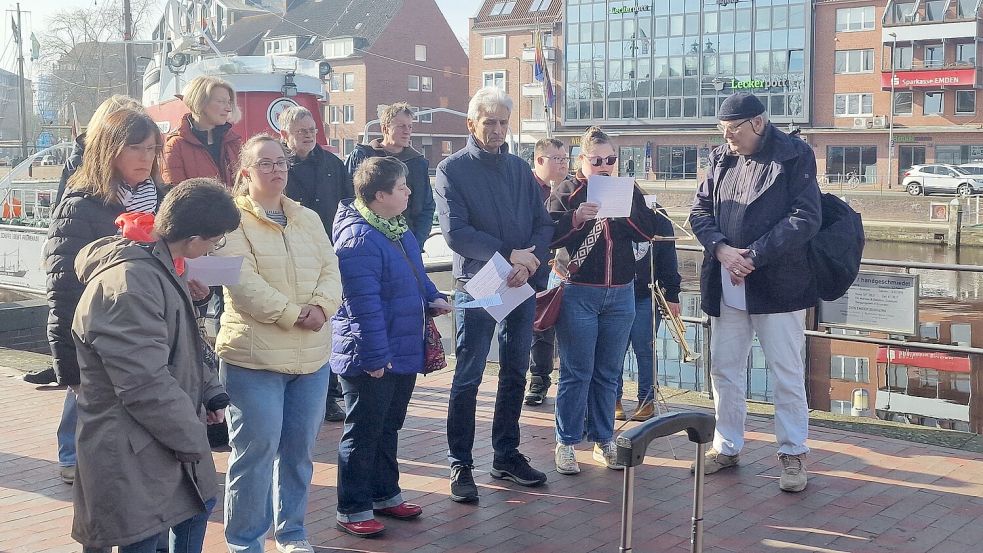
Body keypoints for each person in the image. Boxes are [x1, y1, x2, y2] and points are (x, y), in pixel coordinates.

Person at [70, 179, 240, 553]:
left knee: (197, 507)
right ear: (195, 238)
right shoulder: (129, 283)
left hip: (155, 437)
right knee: (145, 536)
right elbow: (143, 383)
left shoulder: (159, 264)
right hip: (130, 446)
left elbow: (184, 342)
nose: (213, 251)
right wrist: (192, 435)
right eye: (214, 242)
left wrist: (210, 393)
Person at [216, 134, 343, 553]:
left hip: (311, 358)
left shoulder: (306, 217)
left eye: (281, 163)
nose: (276, 170)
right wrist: (293, 314)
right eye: (265, 163)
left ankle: (291, 534)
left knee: (298, 454)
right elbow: (241, 282)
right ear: (246, 172)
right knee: (254, 452)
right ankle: (245, 541)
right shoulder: (231, 220)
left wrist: (323, 307)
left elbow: (331, 268)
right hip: (254, 358)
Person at [689, 92, 821, 493]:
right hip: (727, 280)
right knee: (724, 369)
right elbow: (699, 212)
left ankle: (793, 453)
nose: (728, 138)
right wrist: (722, 249)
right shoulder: (720, 158)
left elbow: (806, 216)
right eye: (723, 131)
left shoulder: (794, 155)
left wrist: (755, 255)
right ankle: (727, 445)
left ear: (758, 123)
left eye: (733, 131)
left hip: (778, 285)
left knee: (786, 372)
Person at [434, 87, 554, 503]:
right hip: (478, 283)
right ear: (472, 124)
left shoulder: (521, 169)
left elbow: (543, 225)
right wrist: (508, 255)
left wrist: (527, 262)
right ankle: (460, 463)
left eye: (504, 122)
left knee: (516, 371)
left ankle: (505, 453)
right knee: (468, 376)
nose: (498, 130)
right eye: (490, 122)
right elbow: (457, 234)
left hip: (520, 282)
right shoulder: (451, 169)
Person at [43, 108, 170, 486]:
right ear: (109, 149)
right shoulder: (82, 205)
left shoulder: (161, 202)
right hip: (103, 344)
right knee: (104, 473)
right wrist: (70, 370)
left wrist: (191, 285)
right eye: (135, 148)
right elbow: (63, 290)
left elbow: (173, 267)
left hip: (152, 338)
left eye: (151, 148)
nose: (146, 158)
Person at [331, 157, 452, 537]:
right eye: (402, 187)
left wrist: (433, 297)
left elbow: (416, 275)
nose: (409, 191)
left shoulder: (396, 229)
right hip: (372, 354)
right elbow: (361, 306)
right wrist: (374, 358)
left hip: (400, 347)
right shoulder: (358, 238)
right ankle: (352, 508)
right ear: (380, 194)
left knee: (388, 426)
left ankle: (385, 494)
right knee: (364, 431)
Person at [548, 126, 663, 475]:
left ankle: (603, 438)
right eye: (597, 160)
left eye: (611, 159)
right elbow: (549, 234)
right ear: (582, 160)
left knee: (609, 371)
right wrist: (576, 218)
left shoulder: (628, 190)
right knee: (576, 370)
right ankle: (566, 442)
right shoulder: (565, 191)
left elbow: (649, 230)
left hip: (622, 291)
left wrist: (625, 210)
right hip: (580, 291)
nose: (605, 166)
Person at [278, 105, 353, 423]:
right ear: (285, 135)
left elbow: (349, 204)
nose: (309, 135)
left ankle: (329, 395)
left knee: (327, 321)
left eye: (312, 130)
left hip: (327, 252)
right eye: (301, 131)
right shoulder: (278, 167)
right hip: (289, 255)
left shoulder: (333, 165)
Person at [345, 102, 435, 248]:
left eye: (410, 126)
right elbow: (348, 199)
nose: (407, 131)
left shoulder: (418, 164)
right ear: (385, 128)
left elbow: (427, 207)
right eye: (401, 126)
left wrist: (415, 244)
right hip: (367, 241)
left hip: (406, 243)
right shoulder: (362, 157)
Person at [614, 227, 681, 422]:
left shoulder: (656, 215)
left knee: (645, 349)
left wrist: (672, 293)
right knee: (614, 349)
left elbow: (668, 257)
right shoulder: (616, 209)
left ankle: (646, 400)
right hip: (617, 292)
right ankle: (613, 398)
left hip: (646, 295)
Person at [524, 137, 569, 406]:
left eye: (566, 158)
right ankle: (538, 379)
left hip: (566, 271)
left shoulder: (573, 189)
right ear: (540, 160)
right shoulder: (527, 189)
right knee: (538, 328)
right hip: (534, 269)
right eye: (558, 159)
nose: (564, 164)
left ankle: (567, 383)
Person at [161, 75, 243, 188]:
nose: (228, 108)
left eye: (229, 102)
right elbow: (175, 195)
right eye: (220, 101)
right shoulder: (176, 146)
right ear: (200, 102)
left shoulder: (234, 142)